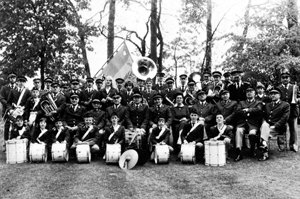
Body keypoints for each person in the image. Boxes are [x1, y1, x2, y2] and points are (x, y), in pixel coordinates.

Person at [259, 88, 290, 161]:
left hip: (278, 127)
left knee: (263, 131)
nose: (273, 95)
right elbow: (263, 116)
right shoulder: (267, 105)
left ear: (279, 95)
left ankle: (264, 148)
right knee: (264, 125)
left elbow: (285, 118)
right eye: (271, 94)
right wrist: (264, 122)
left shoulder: (285, 105)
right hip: (267, 127)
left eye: (275, 94)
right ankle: (264, 149)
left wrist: (275, 125)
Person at [234, 87, 263, 161]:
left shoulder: (258, 102)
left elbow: (259, 110)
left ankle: (252, 149)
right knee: (238, 131)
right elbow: (237, 111)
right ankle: (239, 152)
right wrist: (250, 112)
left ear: (254, 93)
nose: (249, 93)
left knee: (252, 133)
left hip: (253, 124)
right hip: (242, 123)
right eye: (247, 92)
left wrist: (247, 110)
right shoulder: (241, 102)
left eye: (251, 92)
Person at [277, 70, 299, 152]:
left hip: (293, 111)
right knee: (281, 128)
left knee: (293, 129)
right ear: (281, 79)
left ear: (289, 78)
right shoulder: (278, 88)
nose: (285, 79)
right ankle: (281, 145)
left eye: (287, 77)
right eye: (283, 77)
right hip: (282, 111)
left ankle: (292, 145)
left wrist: (297, 99)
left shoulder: (294, 87)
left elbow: (299, 96)